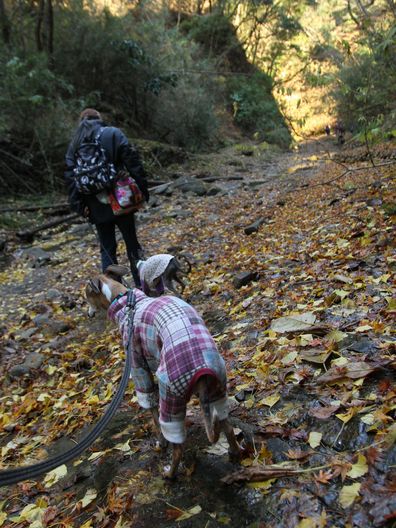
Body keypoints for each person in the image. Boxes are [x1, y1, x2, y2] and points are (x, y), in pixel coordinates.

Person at [64, 108, 149, 286]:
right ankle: (142, 288)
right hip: (121, 198)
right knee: (132, 243)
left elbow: (70, 176)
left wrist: (79, 206)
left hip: (94, 204)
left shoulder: (75, 142)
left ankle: (115, 296)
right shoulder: (112, 133)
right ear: (99, 119)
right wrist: (142, 189)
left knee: (107, 249)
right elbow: (132, 160)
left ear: (82, 120)